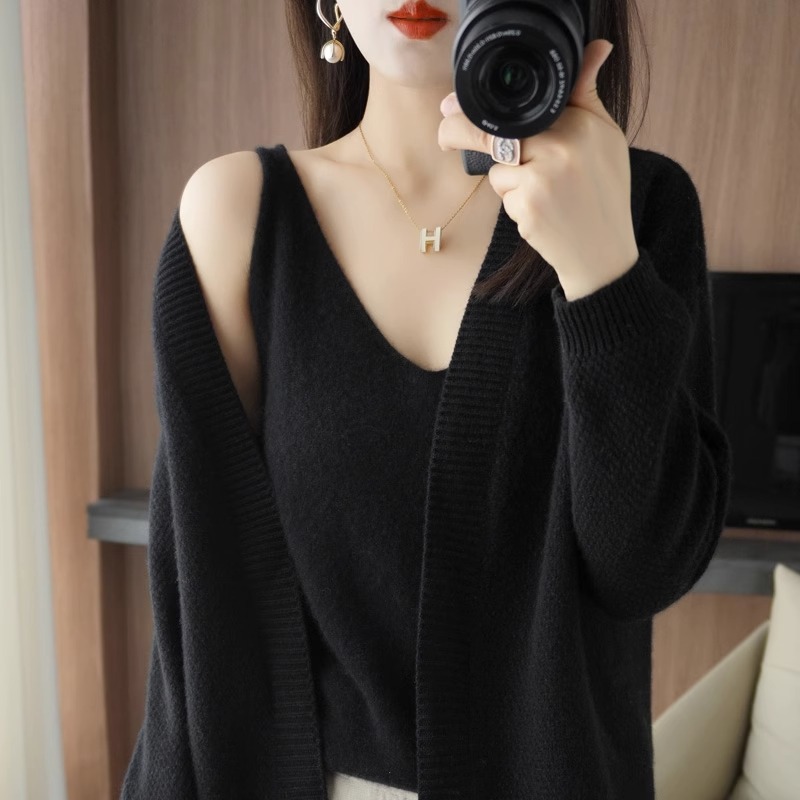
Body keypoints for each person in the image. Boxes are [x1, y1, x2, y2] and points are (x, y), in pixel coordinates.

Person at [121, 1, 732, 798]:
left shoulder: (638, 206)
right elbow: (199, 620)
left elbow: (645, 569)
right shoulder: (238, 214)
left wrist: (600, 270)